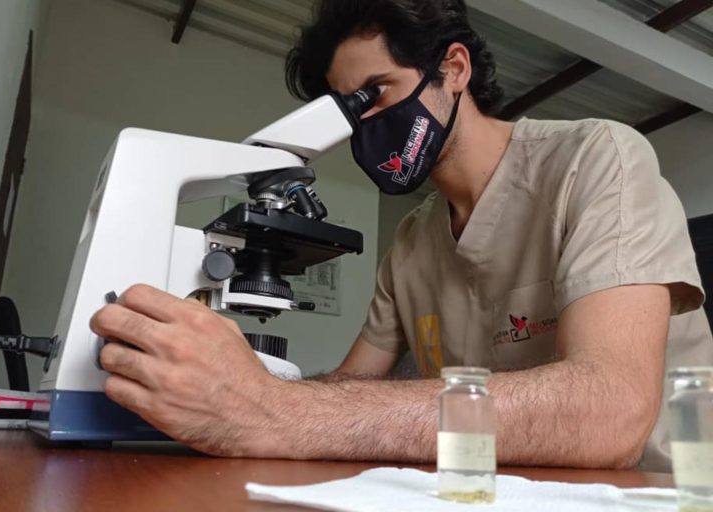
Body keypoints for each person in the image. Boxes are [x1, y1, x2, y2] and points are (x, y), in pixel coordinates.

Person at [90, 0, 713, 471]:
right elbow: (350, 385)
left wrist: (276, 412)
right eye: (350, 110)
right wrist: (225, 381)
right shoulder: (414, 241)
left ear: (454, 68)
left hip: (657, 489)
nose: (369, 125)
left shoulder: (597, 160)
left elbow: (612, 411)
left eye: (378, 93)